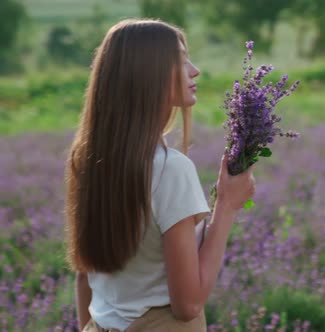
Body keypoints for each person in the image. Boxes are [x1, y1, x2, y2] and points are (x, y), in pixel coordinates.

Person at [64, 19, 255, 332]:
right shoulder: (170, 169)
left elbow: (85, 274)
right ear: (148, 76)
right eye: (180, 61)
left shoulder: (88, 161)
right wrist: (227, 205)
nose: (194, 70)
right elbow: (188, 305)